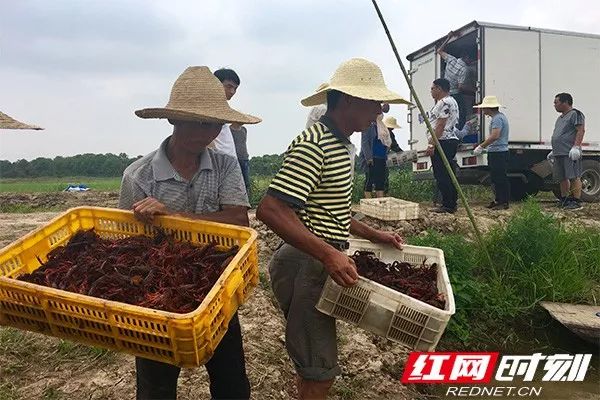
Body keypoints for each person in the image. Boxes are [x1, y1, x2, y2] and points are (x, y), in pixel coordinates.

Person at [256, 58, 408, 400]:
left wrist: (375, 234)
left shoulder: (342, 145)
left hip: (316, 260)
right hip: (306, 264)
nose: (378, 112)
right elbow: (271, 209)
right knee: (319, 371)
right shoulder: (316, 143)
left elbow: (330, 210)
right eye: (373, 104)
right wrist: (328, 254)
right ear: (347, 100)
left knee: (312, 365)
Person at [118, 66, 261, 400]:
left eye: (212, 123)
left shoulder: (225, 166)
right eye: (195, 122)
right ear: (173, 120)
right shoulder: (138, 176)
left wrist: (175, 217)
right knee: (156, 387)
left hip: (216, 290)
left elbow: (239, 220)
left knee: (232, 383)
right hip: (156, 297)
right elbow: (126, 245)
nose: (204, 132)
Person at [425, 78, 460, 213]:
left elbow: (440, 125)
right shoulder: (452, 101)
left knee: (441, 174)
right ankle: (451, 202)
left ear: (439, 89)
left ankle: (448, 204)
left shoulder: (444, 102)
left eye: (432, 88)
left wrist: (432, 144)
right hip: (448, 140)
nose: (431, 91)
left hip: (443, 141)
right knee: (449, 172)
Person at [547, 92, 586, 210]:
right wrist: (554, 150)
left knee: (574, 176)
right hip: (559, 152)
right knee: (562, 177)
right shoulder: (560, 118)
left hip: (569, 152)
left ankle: (576, 200)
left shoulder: (575, 114)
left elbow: (580, 130)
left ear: (565, 103)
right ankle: (564, 199)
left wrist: (576, 147)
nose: (554, 105)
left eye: (556, 102)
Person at [472, 96, 510, 209]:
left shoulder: (497, 119)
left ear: (489, 108)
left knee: (500, 178)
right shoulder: (498, 117)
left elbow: (495, 135)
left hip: (499, 152)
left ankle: (503, 201)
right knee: (496, 177)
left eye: (484, 108)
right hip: (496, 151)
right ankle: (498, 200)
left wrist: (481, 146)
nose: (483, 111)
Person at [437, 32, 474, 130]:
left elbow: (439, 50)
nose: (471, 62)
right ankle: (459, 133)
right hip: (455, 95)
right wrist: (475, 91)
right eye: (470, 59)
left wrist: (448, 38)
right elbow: (460, 87)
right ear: (467, 57)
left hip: (446, 94)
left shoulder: (451, 59)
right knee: (461, 115)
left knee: (448, 116)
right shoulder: (464, 69)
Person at [361, 104, 392, 198]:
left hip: (382, 157)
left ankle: (380, 202)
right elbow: (365, 143)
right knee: (369, 180)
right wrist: (368, 158)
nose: (380, 115)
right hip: (372, 157)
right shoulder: (368, 126)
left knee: (380, 181)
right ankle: (368, 202)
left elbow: (387, 142)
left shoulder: (382, 127)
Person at [211, 68, 242, 158]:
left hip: (228, 160)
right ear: (216, 84)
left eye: (235, 88)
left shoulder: (221, 108)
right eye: (229, 86)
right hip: (219, 161)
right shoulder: (208, 109)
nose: (232, 92)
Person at [231, 123, 250, 193]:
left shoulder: (244, 129)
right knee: (235, 182)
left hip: (244, 158)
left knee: (246, 182)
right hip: (235, 158)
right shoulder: (229, 130)